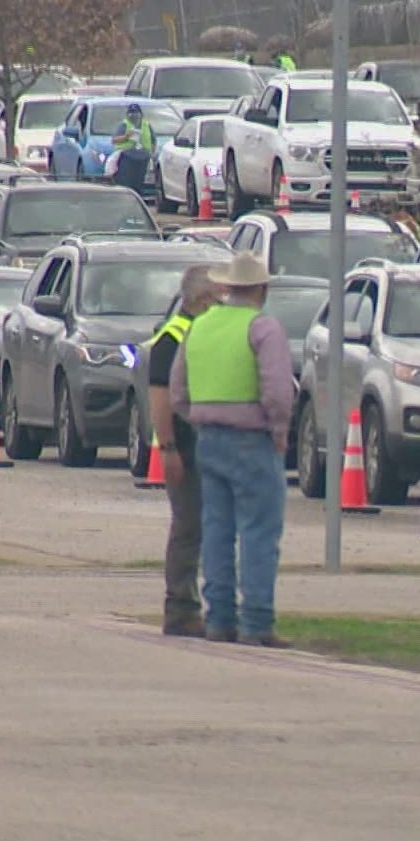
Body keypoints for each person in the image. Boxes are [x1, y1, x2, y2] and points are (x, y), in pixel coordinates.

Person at [170, 252, 295, 648]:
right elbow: (277, 389)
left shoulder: (200, 327)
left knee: (217, 531)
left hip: (208, 438)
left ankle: (219, 619)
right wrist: (279, 429)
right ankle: (257, 623)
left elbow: (178, 390)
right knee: (258, 531)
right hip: (252, 438)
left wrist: (198, 417)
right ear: (262, 288)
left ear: (227, 287)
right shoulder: (263, 328)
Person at [147, 265, 221, 638]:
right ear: (202, 299)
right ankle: (180, 608)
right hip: (184, 450)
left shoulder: (196, 333)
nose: (223, 303)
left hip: (199, 447)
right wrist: (169, 448)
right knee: (188, 527)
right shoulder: (172, 338)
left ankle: (193, 606)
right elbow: (159, 398)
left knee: (199, 527)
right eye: (218, 296)